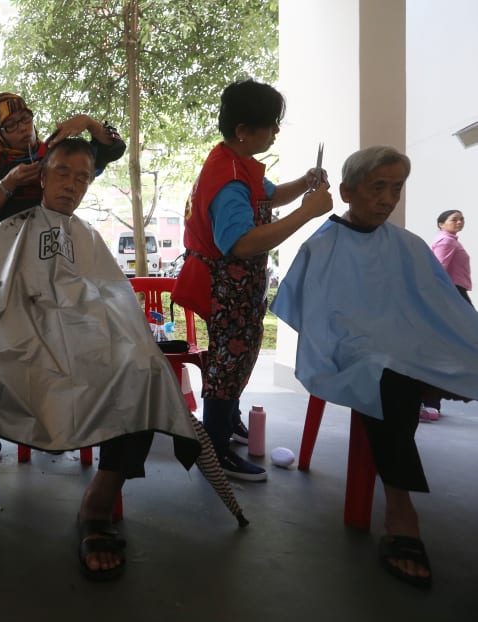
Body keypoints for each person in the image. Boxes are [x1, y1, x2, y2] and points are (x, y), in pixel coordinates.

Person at [0, 138, 202, 584]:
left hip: (86, 342)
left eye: (82, 178)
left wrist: (107, 338)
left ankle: (97, 505)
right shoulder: (8, 231)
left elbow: (111, 300)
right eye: (63, 172)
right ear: (42, 174)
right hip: (10, 339)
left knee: (144, 368)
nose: (72, 184)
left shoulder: (88, 237)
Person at [270, 146, 478, 589]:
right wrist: (366, 336)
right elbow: (311, 314)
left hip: (405, 345)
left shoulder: (408, 245)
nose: (387, 199)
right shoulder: (323, 244)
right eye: (377, 188)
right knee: (386, 375)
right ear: (346, 191)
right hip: (347, 350)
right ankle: (401, 511)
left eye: (396, 189)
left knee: (431, 361)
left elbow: (440, 306)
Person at [177, 78, 333, 481]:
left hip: (238, 287)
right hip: (225, 286)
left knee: (239, 356)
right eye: (270, 125)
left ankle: (227, 420)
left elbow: (267, 195)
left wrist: (305, 184)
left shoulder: (236, 162)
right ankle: (214, 444)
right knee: (229, 360)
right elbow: (242, 244)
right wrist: (307, 212)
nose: (276, 132)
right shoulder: (228, 178)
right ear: (244, 131)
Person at [0, 91, 126, 226]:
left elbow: (114, 150)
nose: (23, 127)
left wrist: (89, 122)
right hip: (11, 253)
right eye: (11, 125)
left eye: (25, 118)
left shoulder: (55, 152)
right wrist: (9, 183)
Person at [419, 210, 474, 420]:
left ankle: (431, 402)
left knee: (447, 349)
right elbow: (437, 272)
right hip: (453, 296)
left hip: (454, 295)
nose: (459, 222)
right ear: (441, 224)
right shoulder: (447, 242)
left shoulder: (449, 240)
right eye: (454, 219)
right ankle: (430, 402)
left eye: (462, 218)